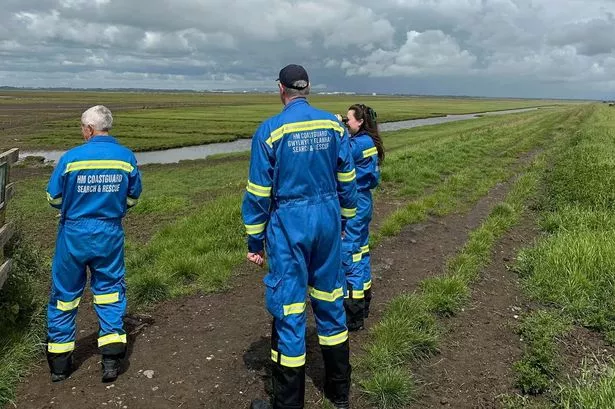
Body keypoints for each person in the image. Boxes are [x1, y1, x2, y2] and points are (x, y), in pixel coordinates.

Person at [242, 64, 358, 409]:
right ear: (307, 89)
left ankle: (288, 403)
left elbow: (258, 192)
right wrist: (344, 221)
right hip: (327, 217)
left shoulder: (270, 131)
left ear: (281, 89)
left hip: (290, 222)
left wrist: (254, 241)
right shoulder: (332, 125)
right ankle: (339, 393)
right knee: (330, 298)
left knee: (290, 308)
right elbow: (347, 178)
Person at [45, 105, 142, 383]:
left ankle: (60, 366)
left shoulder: (71, 158)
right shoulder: (125, 157)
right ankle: (111, 361)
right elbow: (133, 197)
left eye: (81, 127)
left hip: (74, 233)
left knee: (64, 295)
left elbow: (54, 198)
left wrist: (77, 206)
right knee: (110, 291)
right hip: (109, 233)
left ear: (88, 129)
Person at [336, 104, 384, 331]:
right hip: (364, 201)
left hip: (354, 203)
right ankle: (365, 300)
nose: (347, 123)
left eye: (348, 120)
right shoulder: (369, 143)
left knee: (350, 255)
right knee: (362, 251)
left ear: (360, 121)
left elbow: (340, 154)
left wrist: (336, 128)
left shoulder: (357, 144)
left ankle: (353, 315)